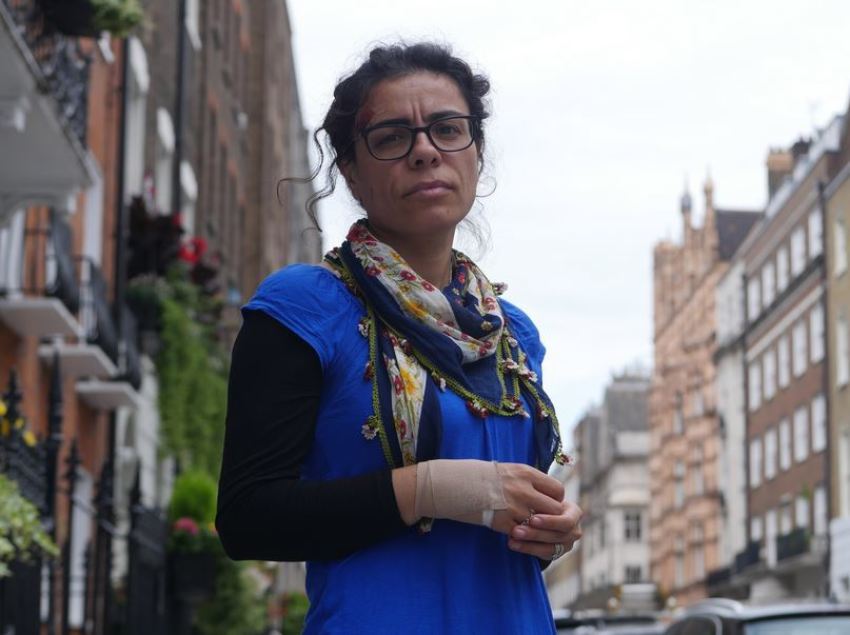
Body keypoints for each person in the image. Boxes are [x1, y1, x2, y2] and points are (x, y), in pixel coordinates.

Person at [216, 42, 583, 635]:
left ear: (477, 154)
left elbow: (499, 521)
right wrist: (431, 488)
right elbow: (247, 519)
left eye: (446, 129)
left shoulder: (513, 331)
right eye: (391, 137)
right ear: (352, 172)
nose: (424, 151)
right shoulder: (304, 306)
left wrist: (551, 529)